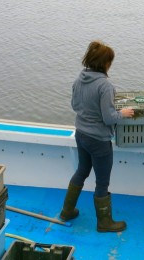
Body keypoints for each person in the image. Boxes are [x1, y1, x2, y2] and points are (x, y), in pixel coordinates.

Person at [59, 40, 134, 233]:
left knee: (82, 171)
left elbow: (75, 106)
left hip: (81, 134)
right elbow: (109, 118)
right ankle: (104, 222)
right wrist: (123, 113)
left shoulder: (79, 79)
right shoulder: (105, 86)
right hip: (99, 141)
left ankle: (66, 211)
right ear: (105, 63)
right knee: (102, 182)